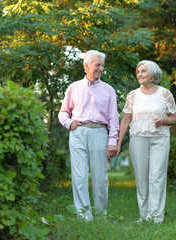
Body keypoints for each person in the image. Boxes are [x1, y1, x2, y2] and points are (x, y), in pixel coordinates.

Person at [58, 50, 119, 221]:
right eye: (97, 65)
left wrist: (113, 141)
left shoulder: (109, 90)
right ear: (86, 66)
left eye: (102, 65)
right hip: (78, 133)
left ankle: (100, 215)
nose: (101, 69)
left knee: (100, 177)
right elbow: (63, 112)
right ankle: (84, 216)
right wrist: (70, 124)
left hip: (99, 132)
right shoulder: (74, 87)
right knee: (79, 175)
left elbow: (114, 118)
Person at [117, 60, 176, 223]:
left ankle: (156, 217)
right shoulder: (133, 95)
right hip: (138, 140)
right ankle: (144, 216)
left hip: (160, 139)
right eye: (138, 72)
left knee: (157, 177)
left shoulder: (165, 94)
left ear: (153, 74)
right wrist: (117, 143)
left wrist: (163, 121)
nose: (140, 74)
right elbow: (125, 120)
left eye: (143, 71)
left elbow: (174, 119)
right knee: (142, 179)